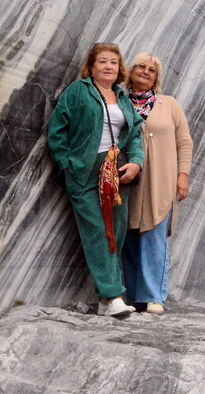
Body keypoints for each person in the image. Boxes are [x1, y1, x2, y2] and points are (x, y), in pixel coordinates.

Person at [48, 43, 145, 318]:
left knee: (116, 232)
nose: (108, 67)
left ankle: (106, 302)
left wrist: (136, 162)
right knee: (96, 233)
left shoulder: (122, 98)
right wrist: (68, 166)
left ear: (119, 69)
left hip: (118, 172)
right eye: (102, 61)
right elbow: (57, 130)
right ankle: (113, 294)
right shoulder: (79, 91)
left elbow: (136, 133)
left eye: (113, 62)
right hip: (84, 171)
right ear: (91, 67)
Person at [122, 53, 193, 315]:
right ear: (131, 71)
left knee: (154, 234)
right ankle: (133, 297)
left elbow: (184, 142)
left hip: (162, 179)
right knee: (128, 235)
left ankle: (153, 297)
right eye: (141, 66)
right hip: (128, 179)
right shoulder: (120, 101)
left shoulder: (169, 104)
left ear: (156, 78)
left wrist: (182, 175)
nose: (145, 72)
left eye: (151, 70)